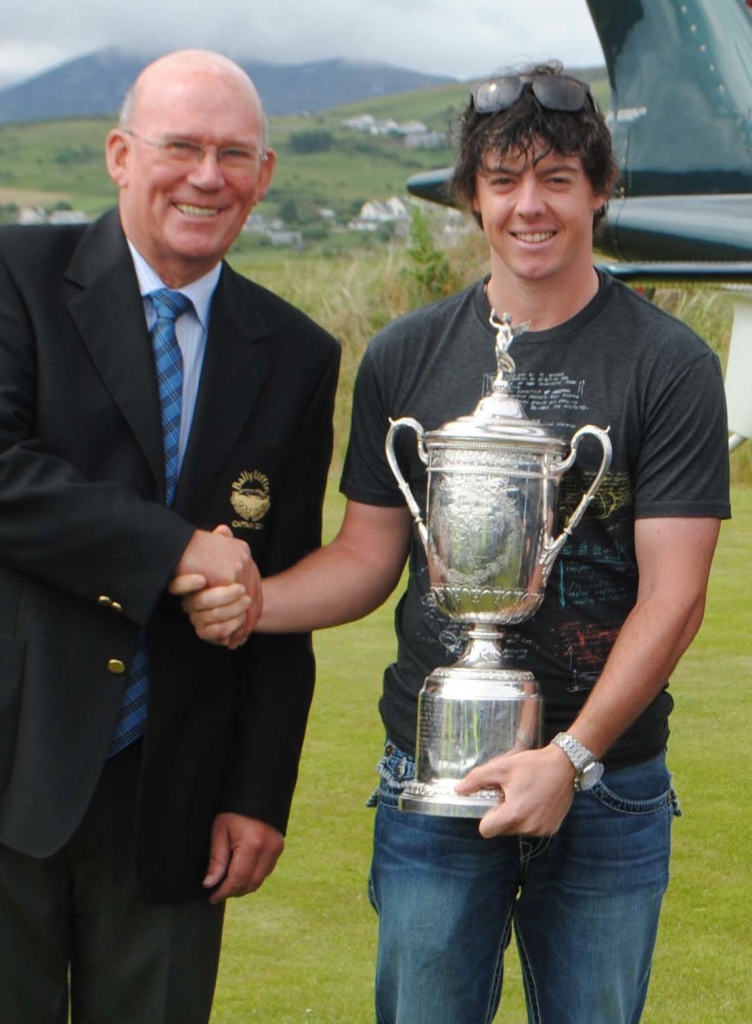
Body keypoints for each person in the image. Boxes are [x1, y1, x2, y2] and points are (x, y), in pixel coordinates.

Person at [172, 63, 731, 1023]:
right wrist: (252, 601)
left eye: (557, 178)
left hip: (605, 786)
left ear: (599, 190)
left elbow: (673, 594)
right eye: (504, 180)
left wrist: (570, 757)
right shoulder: (405, 356)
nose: (530, 206)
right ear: (473, 196)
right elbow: (365, 560)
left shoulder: (667, 364)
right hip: (433, 773)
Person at [0, 50, 340, 1024]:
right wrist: (174, 551)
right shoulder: (6, 272)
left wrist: (258, 790)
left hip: (174, 793)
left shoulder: (295, 353)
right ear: (121, 155)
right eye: (180, 147)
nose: (207, 176)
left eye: (233, 154)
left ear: (264, 174)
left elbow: (273, 587)